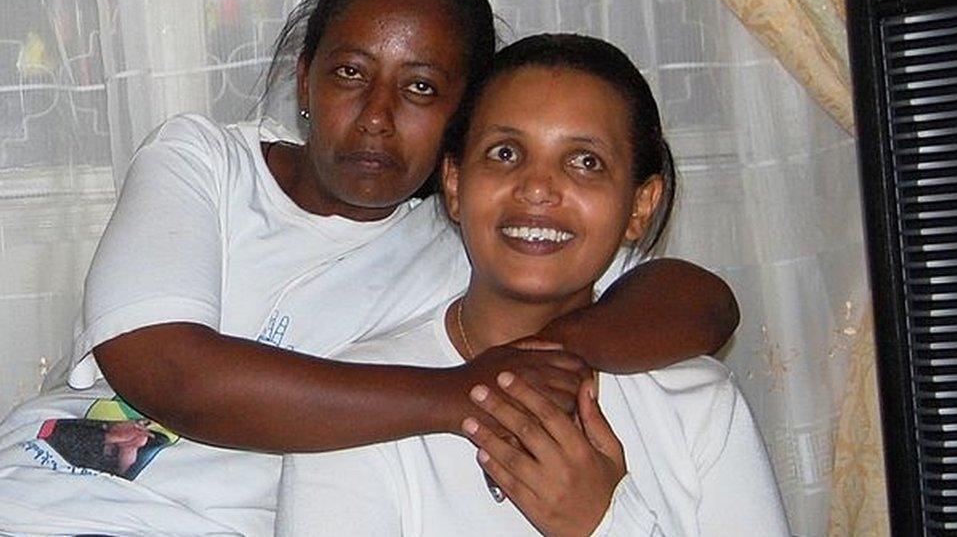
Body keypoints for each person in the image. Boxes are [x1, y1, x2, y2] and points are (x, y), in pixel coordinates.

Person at [0, 0, 736, 535]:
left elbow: (699, 298)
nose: (378, 115)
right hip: (28, 496)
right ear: (305, 81)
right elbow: (169, 372)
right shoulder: (204, 163)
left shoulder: (466, 243)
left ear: (462, 124)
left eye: (422, 87)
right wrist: (462, 393)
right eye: (352, 73)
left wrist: (560, 349)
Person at [277, 33, 789, 536]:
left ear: (640, 205)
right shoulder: (358, 408)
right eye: (505, 153)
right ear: (454, 184)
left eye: (585, 162)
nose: (538, 187)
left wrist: (605, 522)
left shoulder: (696, 403)